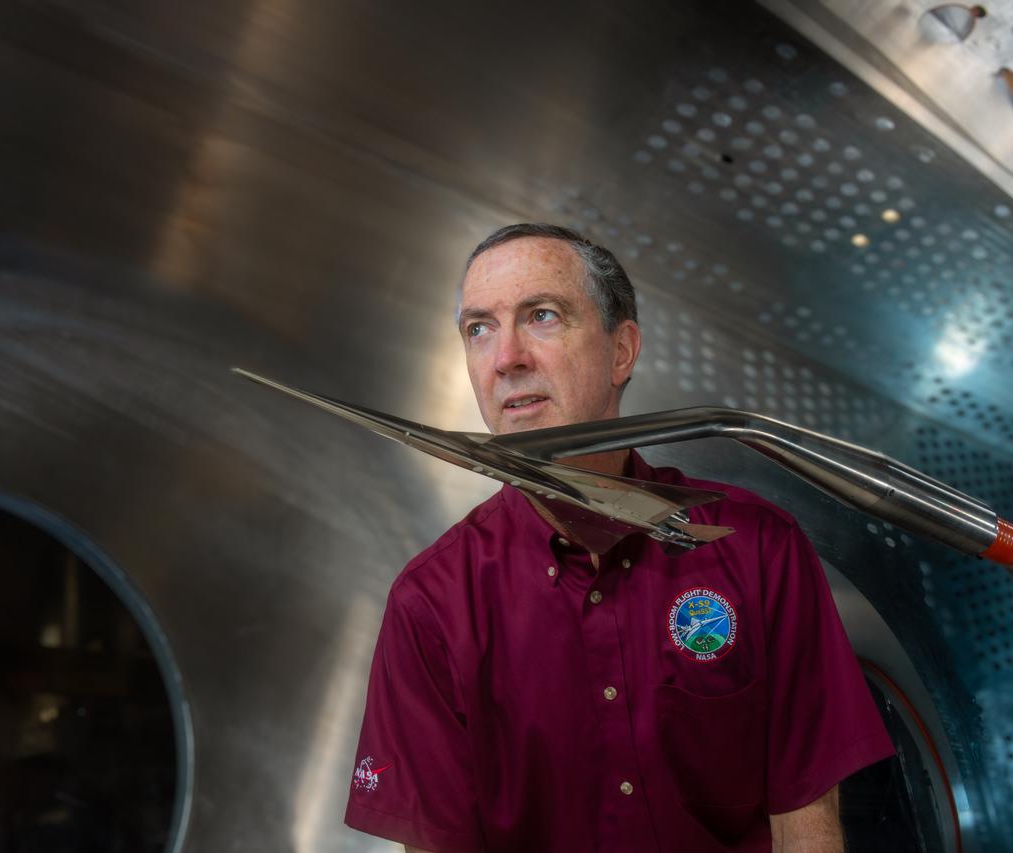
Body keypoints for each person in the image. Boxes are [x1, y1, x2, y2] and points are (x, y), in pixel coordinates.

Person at [344, 223, 894, 852]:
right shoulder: (431, 603)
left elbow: (806, 823)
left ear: (621, 351)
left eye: (542, 316)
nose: (506, 358)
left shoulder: (755, 546)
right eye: (479, 329)